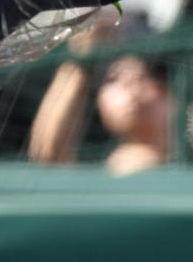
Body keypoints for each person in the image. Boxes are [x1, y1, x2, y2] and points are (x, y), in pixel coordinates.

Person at [28, 24, 173, 176]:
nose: (130, 85)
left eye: (146, 76)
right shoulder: (106, 173)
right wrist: (80, 61)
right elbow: (48, 154)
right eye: (112, 79)